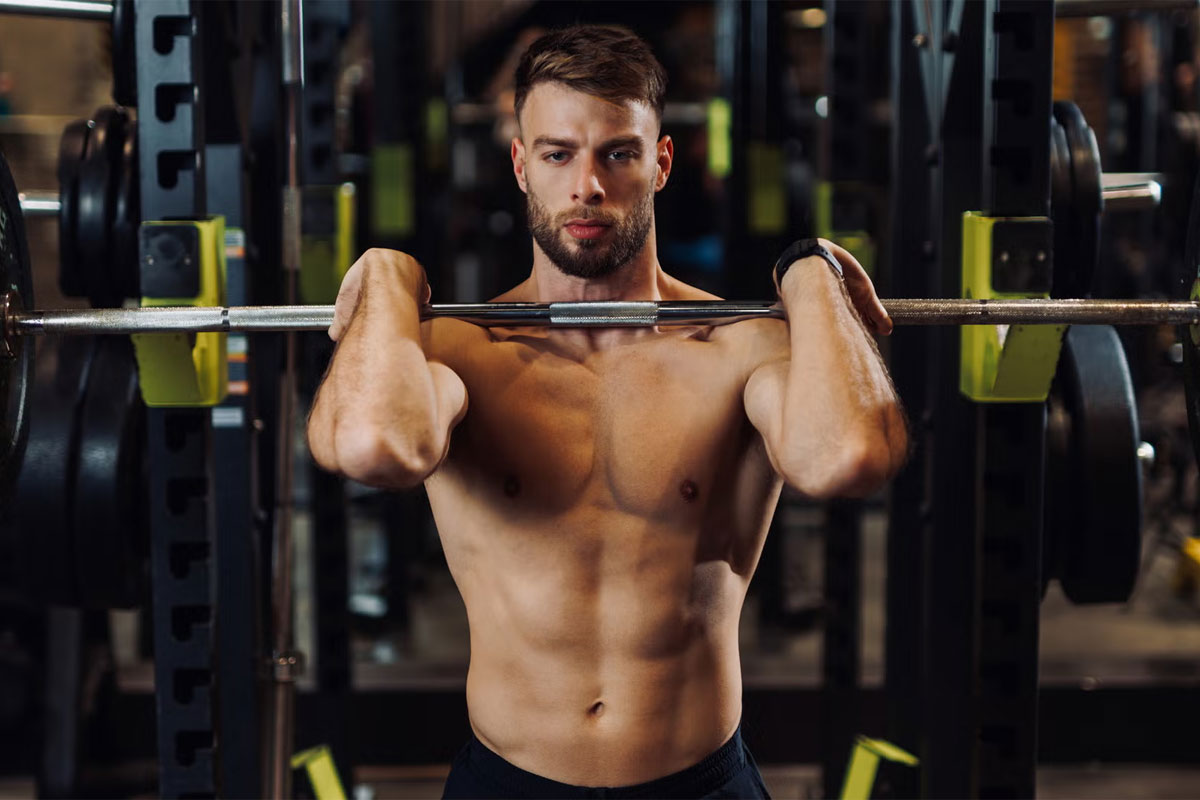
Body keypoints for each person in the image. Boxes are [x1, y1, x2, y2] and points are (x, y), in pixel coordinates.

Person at [308, 24, 907, 799]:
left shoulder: (734, 343)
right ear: (521, 166)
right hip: (509, 781)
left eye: (617, 153)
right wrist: (389, 277)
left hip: (698, 781)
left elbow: (848, 457)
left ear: (659, 163)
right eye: (557, 154)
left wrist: (811, 278)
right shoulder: (458, 348)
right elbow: (371, 447)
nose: (586, 185)